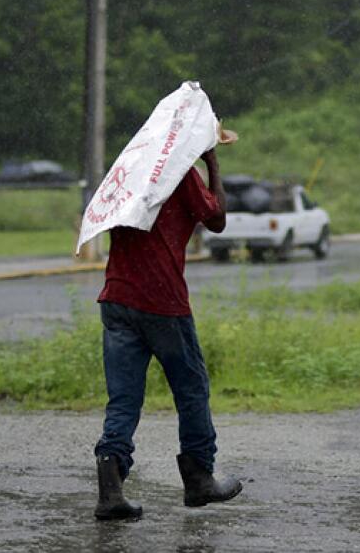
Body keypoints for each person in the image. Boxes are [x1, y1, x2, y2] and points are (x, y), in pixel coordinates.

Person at [93, 137, 243, 521]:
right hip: (162, 301)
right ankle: (199, 479)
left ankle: (110, 490)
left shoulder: (126, 169)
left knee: (123, 398)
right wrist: (212, 163)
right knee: (191, 388)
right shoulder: (179, 174)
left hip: (117, 297)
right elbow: (218, 219)